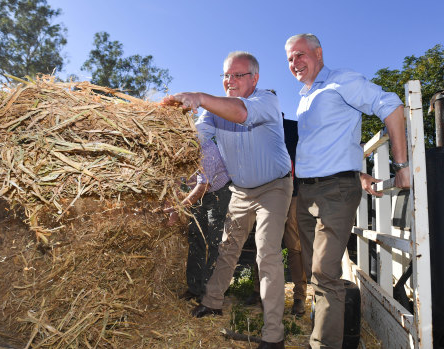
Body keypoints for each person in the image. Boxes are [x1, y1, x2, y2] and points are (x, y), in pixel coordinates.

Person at [284, 33, 410, 348]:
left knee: (325, 274)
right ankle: (323, 334)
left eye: (300, 55)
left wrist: (402, 164)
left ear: (318, 52)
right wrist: (362, 175)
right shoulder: (305, 96)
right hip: (307, 193)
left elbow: (391, 105)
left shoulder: (341, 80)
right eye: (289, 58)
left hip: (334, 193)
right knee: (318, 276)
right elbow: (334, 144)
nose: (295, 63)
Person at [163, 51, 293, 349]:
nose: (229, 81)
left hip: (274, 187)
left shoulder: (267, 99)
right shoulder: (212, 113)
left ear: (255, 78)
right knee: (227, 247)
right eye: (225, 75)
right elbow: (193, 137)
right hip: (241, 190)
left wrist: (199, 96)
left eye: (237, 75)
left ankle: (274, 335)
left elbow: (241, 113)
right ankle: (212, 302)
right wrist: (164, 126)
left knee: (267, 252)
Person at [245, 114, 307, 317]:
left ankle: (299, 296)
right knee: (262, 242)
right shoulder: (254, 131)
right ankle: (257, 290)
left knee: (294, 245)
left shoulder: (295, 128)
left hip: (294, 192)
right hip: (265, 194)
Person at [165, 138, 231, 302]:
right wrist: (171, 208)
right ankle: (194, 288)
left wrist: (179, 208)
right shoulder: (173, 149)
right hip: (196, 194)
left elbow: (204, 185)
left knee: (214, 241)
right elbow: (174, 182)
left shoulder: (206, 148)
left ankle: (210, 294)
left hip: (217, 192)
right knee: (196, 238)